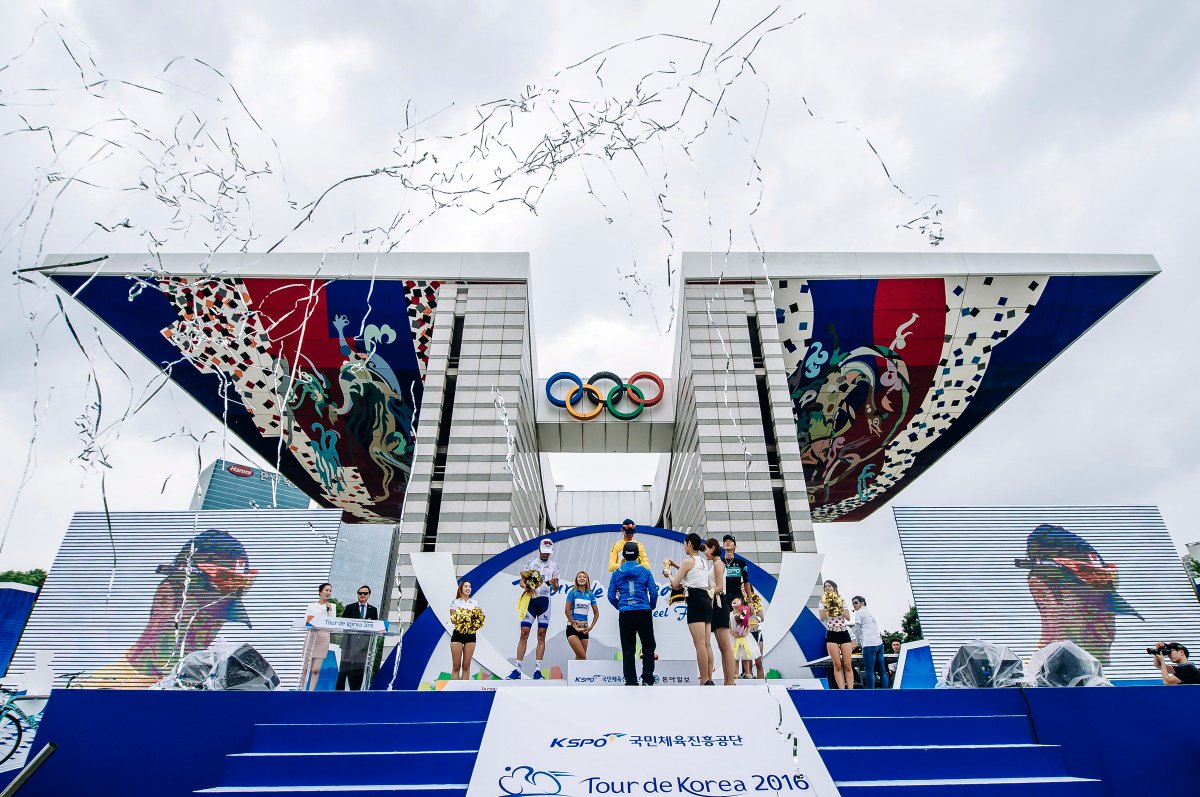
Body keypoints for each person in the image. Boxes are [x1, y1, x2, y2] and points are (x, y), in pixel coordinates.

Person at [80, 528, 258, 689]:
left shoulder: (182, 690)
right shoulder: (99, 689)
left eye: (218, 621)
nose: (205, 635)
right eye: (202, 618)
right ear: (164, 599)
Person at [1015, 523, 1142, 665]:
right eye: (1090, 610)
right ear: (1043, 596)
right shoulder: (1028, 683)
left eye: (1110, 614)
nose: (1108, 631)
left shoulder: (1097, 684)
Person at [607, 541, 658, 685]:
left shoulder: (617, 572)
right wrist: (650, 606)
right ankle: (647, 679)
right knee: (648, 646)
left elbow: (611, 595)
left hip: (626, 614)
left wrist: (621, 606)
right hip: (643, 612)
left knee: (628, 648)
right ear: (638, 554)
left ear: (623, 554)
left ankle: (630, 681)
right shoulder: (646, 571)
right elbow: (653, 593)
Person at [509, 538, 561, 679]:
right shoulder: (531, 563)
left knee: (541, 634)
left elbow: (556, 587)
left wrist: (554, 584)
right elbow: (521, 582)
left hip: (544, 602)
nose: (546, 555)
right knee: (524, 633)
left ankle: (538, 670)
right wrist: (528, 586)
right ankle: (517, 669)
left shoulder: (554, 566)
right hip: (530, 600)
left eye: (548, 553)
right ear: (539, 550)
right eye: (544, 552)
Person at [666, 532, 712, 684]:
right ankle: (709, 678)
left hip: (695, 600)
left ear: (690, 544)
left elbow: (676, 584)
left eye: (685, 544)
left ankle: (704, 679)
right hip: (705, 600)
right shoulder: (704, 562)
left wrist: (668, 573)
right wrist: (675, 565)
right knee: (706, 643)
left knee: (699, 643)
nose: (684, 547)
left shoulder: (688, 561)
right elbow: (691, 574)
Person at [336, 585, 378, 691]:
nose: (362, 595)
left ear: (369, 595)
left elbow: (375, 627)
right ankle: (337, 695)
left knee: (358, 672)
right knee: (343, 672)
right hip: (348, 645)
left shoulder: (373, 610)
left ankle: (355, 695)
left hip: (363, 647)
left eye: (365, 593)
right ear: (357, 594)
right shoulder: (350, 607)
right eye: (360, 593)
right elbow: (343, 623)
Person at [706, 538, 736, 686]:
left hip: (720, 604)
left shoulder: (718, 564)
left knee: (726, 647)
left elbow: (720, 587)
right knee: (722, 647)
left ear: (712, 548)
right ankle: (727, 681)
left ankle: (730, 682)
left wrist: (705, 592)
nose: (705, 553)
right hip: (715, 606)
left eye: (706, 549)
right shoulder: (714, 565)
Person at [819, 580, 854, 689]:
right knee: (837, 664)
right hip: (831, 632)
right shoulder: (822, 601)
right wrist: (827, 605)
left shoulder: (841, 600)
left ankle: (851, 689)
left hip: (843, 631)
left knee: (847, 664)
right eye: (825, 587)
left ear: (834, 587)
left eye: (829, 586)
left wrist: (838, 605)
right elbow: (822, 618)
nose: (827, 588)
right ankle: (842, 689)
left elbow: (848, 617)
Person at [303, 582, 336, 690]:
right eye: (326, 590)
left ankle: (311, 691)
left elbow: (333, 623)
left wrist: (329, 610)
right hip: (312, 635)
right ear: (320, 592)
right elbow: (306, 621)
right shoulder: (312, 606)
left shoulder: (332, 607)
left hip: (324, 637)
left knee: (315, 669)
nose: (328, 592)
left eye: (330, 590)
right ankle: (302, 689)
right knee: (306, 668)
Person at [851, 595, 887, 689]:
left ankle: (870, 692)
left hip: (869, 643)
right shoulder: (869, 613)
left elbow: (857, 629)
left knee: (869, 670)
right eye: (853, 603)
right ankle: (885, 691)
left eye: (855, 602)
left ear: (862, 603)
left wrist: (858, 643)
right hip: (879, 643)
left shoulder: (859, 613)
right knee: (882, 670)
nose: (854, 605)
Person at [449, 581, 481, 680]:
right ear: (461, 588)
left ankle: (464, 690)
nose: (468, 588)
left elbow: (478, 618)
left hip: (470, 634)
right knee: (456, 666)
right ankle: (454, 692)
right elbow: (453, 619)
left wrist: (473, 620)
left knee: (466, 666)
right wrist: (464, 618)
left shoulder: (475, 603)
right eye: (466, 586)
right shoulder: (455, 602)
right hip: (458, 634)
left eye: (470, 587)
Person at [565, 571, 600, 660]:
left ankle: (575, 674)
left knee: (581, 658)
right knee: (582, 656)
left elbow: (596, 613)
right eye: (579, 577)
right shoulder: (573, 593)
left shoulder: (590, 594)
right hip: (573, 628)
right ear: (576, 580)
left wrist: (591, 627)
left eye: (584, 577)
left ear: (587, 579)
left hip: (584, 628)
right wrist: (574, 625)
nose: (582, 578)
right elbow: (567, 611)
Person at [742, 582, 766, 679]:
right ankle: (749, 681)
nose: (743, 589)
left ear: (750, 589)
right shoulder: (739, 600)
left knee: (758, 662)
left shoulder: (756, 600)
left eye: (745, 587)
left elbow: (762, 618)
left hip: (757, 631)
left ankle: (761, 685)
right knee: (748, 661)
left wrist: (754, 611)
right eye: (741, 588)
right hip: (745, 633)